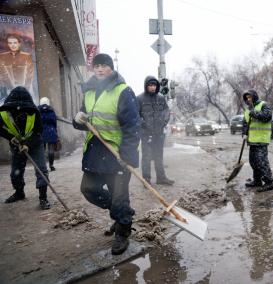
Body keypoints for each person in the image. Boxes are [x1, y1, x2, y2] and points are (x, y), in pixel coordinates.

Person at [72, 53, 141, 255]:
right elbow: (84, 121)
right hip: (95, 151)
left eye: (104, 66)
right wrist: (78, 119)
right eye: (97, 66)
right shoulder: (89, 92)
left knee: (119, 196)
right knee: (88, 189)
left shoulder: (122, 91)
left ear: (111, 69)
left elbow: (132, 126)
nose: (100, 69)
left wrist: (126, 156)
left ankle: (122, 231)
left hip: (117, 153)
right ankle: (122, 215)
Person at [0, 86, 51, 209]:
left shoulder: (33, 112)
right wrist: (9, 137)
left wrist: (28, 144)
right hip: (17, 144)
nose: (18, 110)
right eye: (15, 108)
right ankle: (19, 193)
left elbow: (38, 130)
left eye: (22, 108)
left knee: (41, 169)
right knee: (15, 172)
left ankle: (43, 198)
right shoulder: (4, 112)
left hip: (35, 143)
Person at [137, 76, 174, 185]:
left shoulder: (161, 98)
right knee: (146, 157)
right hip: (146, 134)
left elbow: (166, 111)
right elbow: (135, 115)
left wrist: (164, 122)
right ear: (146, 86)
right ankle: (146, 180)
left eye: (154, 85)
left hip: (159, 133)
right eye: (150, 85)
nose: (152, 87)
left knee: (158, 156)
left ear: (157, 86)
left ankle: (161, 178)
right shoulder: (139, 99)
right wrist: (143, 124)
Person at [242, 89, 273, 192]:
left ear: (254, 96)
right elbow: (245, 123)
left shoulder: (264, 105)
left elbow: (267, 117)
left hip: (261, 139)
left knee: (261, 162)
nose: (248, 100)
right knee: (253, 162)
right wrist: (244, 133)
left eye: (250, 97)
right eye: (247, 98)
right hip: (252, 140)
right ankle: (257, 181)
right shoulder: (247, 110)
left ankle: (269, 182)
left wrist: (253, 112)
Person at [38, 97, 58, 171]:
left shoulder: (37, 110)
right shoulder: (51, 110)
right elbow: (54, 122)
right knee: (51, 150)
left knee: (41, 150)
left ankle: (42, 166)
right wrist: (55, 132)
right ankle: (51, 165)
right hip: (51, 131)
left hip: (41, 132)